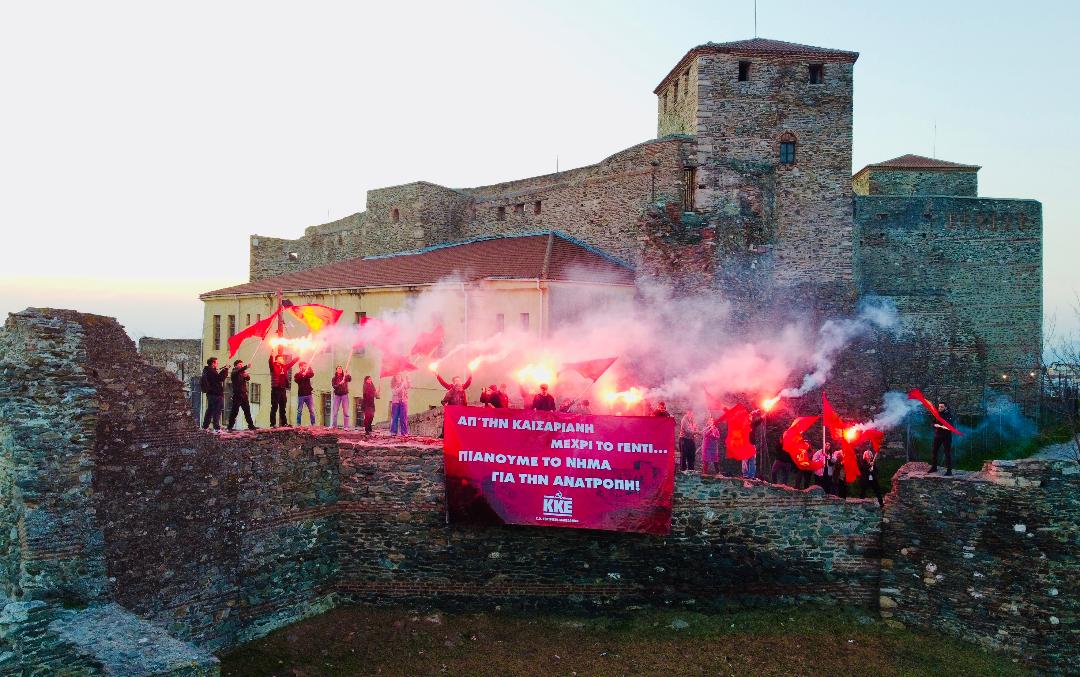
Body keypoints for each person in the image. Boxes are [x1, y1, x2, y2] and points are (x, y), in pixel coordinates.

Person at [269, 353, 298, 428]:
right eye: (281, 358)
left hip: (283, 389)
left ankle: (284, 423)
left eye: (282, 358)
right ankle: (272, 424)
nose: (282, 359)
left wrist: (298, 356)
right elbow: (270, 362)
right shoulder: (273, 366)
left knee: (283, 407)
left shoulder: (284, 367)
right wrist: (271, 354)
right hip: (276, 388)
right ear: (276, 360)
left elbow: (291, 363)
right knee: (274, 407)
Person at [200, 358, 229, 432]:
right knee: (217, 411)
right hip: (216, 394)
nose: (217, 364)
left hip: (210, 394)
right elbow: (220, 378)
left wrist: (222, 370)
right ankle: (216, 428)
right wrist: (225, 370)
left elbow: (216, 377)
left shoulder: (207, 370)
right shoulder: (211, 371)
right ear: (213, 363)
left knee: (210, 411)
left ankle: (205, 427)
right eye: (216, 363)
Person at [227, 359, 256, 431]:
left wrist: (246, 375)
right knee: (234, 411)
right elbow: (238, 371)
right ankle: (230, 426)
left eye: (242, 364)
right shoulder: (234, 372)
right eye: (240, 364)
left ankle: (251, 425)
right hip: (237, 395)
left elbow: (248, 378)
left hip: (244, 394)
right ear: (236, 365)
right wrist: (246, 367)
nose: (241, 365)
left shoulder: (242, 372)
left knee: (247, 411)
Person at [929, 402, 954, 476]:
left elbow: (950, 426)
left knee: (947, 453)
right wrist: (934, 425)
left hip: (946, 436)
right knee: (934, 451)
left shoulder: (949, 415)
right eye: (939, 406)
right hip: (938, 436)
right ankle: (934, 467)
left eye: (941, 407)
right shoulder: (936, 414)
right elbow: (932, 423)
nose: (939, 408)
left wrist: (941, 426)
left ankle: (949, 471)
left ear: (945, 407)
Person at [293, 361, 315, 426]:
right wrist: (302, 375)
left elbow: (312, 374)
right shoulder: (297, 375)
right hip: (301, 395)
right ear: (300, 367)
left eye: (306, 366)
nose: (305, 367)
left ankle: (313, 423)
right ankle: (298, 424)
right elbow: (296, 380)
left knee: (312, 410)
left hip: (309, 395)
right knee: (299, 410)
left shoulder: (307, 374)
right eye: (304, 366)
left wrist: (309, 367)